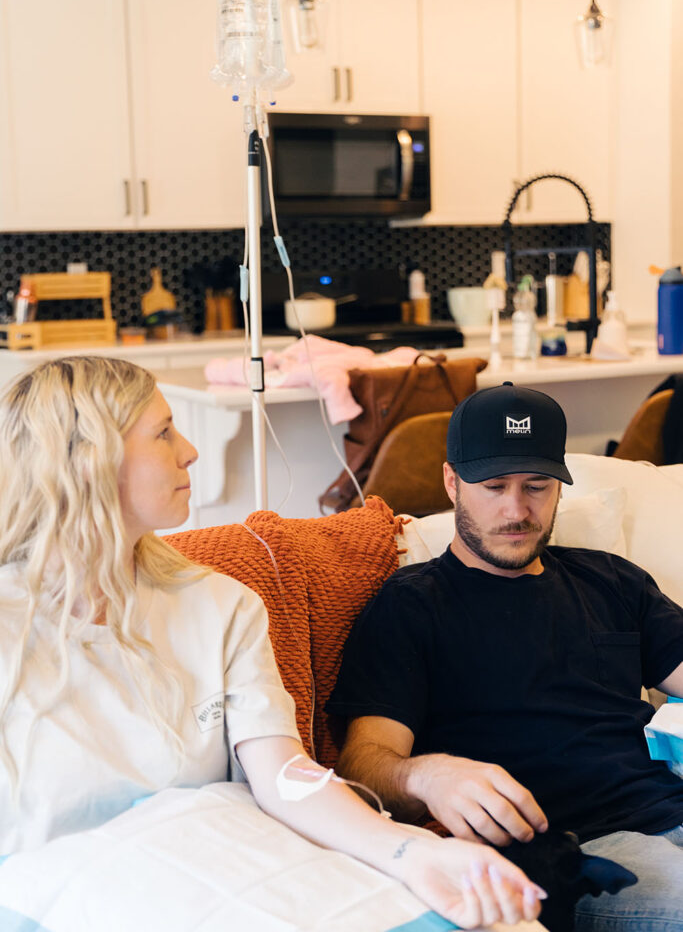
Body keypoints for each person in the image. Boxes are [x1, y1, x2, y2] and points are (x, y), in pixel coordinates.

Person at [0, 356, 544, 930]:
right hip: (69, 892)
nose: (189, 450)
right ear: (88, 461)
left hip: (231, 861)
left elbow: (284, 775)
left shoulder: (219, 604)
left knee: (496, 920)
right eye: (162, 433)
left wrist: (411, 851)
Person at [328, 381, 683, 931]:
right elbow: (363, 761)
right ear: (452, 482)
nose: (516, 510)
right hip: (582, 848)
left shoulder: (611, 580)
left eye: (537, 486)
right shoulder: (411, 606)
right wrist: (426, 777)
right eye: (493, 486)